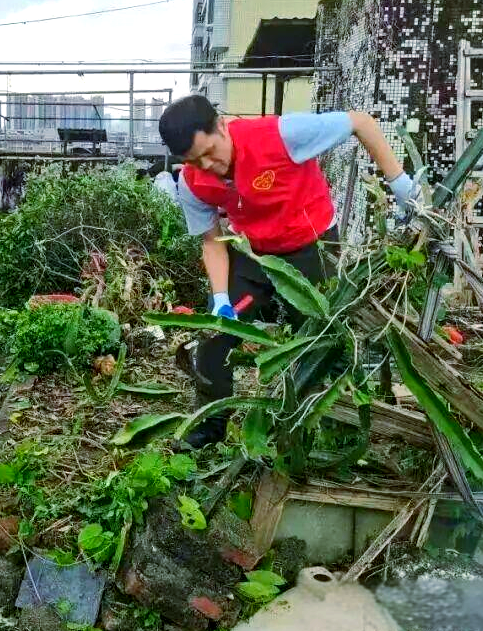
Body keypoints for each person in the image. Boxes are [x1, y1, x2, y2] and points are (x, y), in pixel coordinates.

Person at [158, 95, 420, 449]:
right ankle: (208, 427)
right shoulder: (192, 183)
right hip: (256, 255)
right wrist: (221, 298)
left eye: (210, 151)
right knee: (215, 336)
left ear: (221, 125)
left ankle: (325, 424)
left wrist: (400, 182)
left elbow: (360, 122)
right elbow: (212, 241)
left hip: (310, 247)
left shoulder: (282, 135)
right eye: (195, 160)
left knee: (318, 338)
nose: (208, 165)